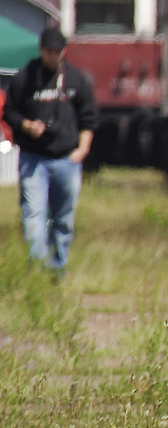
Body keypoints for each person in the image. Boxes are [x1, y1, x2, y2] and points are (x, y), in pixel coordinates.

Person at [4, 28, 98, 272]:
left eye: (56, 52)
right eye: (48, 52)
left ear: (63, 52)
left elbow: (89, 118)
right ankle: (37, 267)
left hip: (67, 159)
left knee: (63, 219)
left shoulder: (76, 80)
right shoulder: (25, 78)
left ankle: (57, 268)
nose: (52, 56)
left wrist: (82, 149)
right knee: (33, 214)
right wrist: (26, 125)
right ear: (41, 50)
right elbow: (9, 112)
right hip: (34, 159)